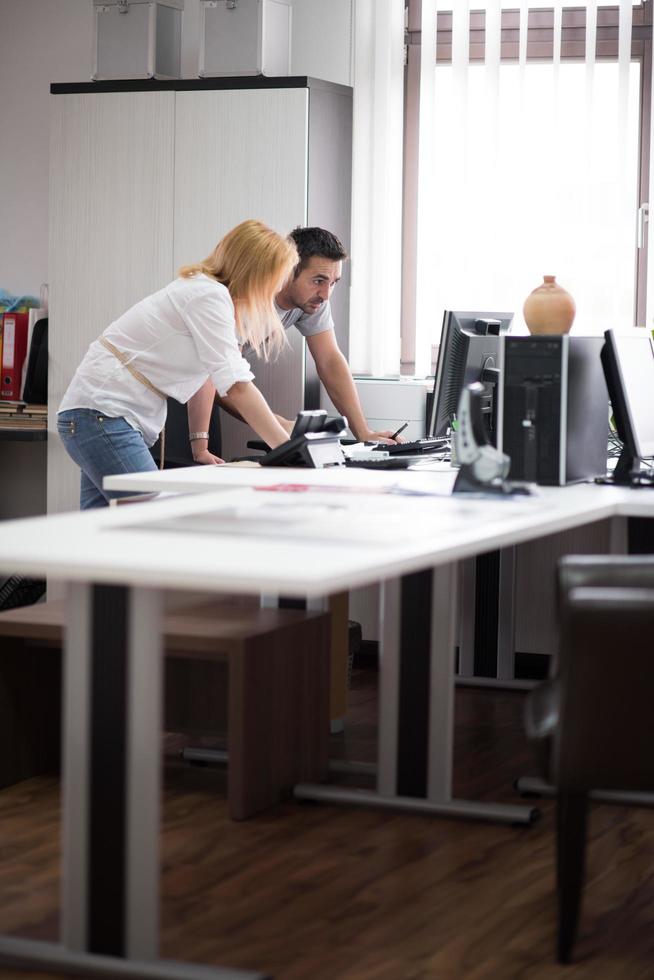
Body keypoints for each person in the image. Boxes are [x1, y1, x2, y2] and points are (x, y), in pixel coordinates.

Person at [57, 219, 296, 509]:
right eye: (275, 280)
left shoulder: (209, 294)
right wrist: (288, 452)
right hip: (103, 415)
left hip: (97, 415)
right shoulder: (209, 295)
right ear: (257, 273)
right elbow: (237, 386)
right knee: (155, 518)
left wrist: (200, 446)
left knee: (99, 527)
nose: (274, 292)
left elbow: (208, 377)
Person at [215, 226, 402, 443]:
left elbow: (330, 360)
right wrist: (278, 425)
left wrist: (363, 433)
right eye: (318, 281)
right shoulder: (246, 297)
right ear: (287, 270)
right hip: (181, 386)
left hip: (210, 386)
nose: (325, 294)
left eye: (333, 283)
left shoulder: (312, 301)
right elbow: (221, 375)